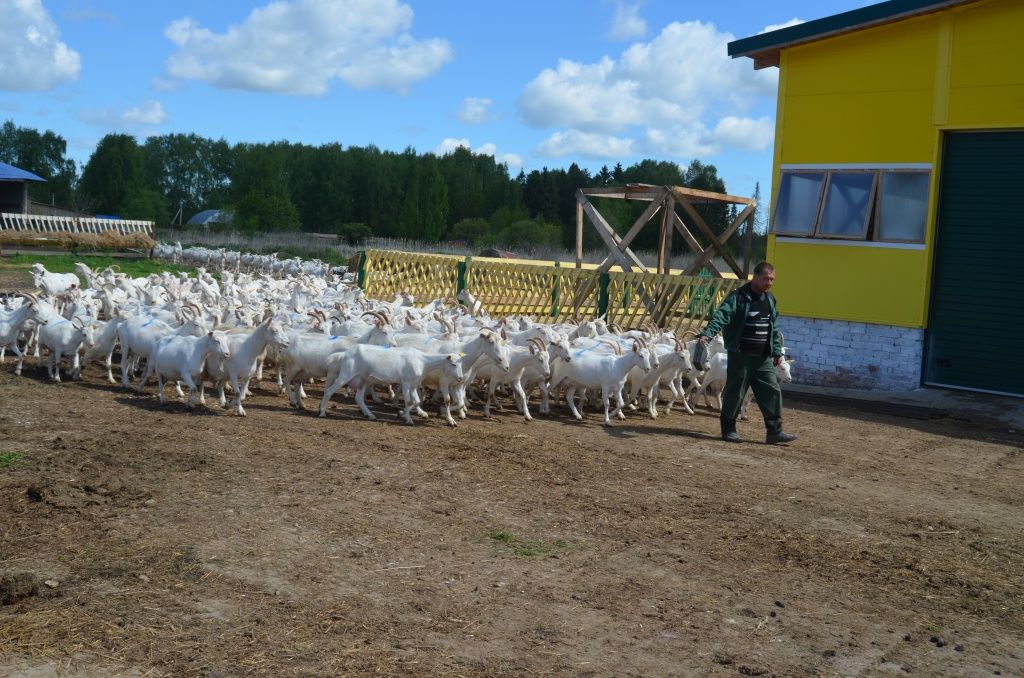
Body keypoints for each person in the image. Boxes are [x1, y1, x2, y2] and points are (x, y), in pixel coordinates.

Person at [698, 261, 797, 445]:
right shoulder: (738, 297)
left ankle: (774, 432)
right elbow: (722, 315)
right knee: (735, 392)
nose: (769, 283)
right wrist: (708, 333)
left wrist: (776, 350)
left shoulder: (770, 300)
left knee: (772, 391)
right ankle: (729, 430)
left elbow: (774, 328)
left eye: (772, 279)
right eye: (766, 278)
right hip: (740, 355)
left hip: (763, 358)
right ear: (755, 276)